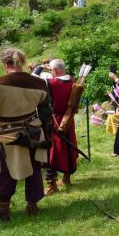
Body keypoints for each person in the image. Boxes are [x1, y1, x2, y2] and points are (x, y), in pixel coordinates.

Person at [0, 47, 52, 220]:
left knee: (5, 170)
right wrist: (46, 131)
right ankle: (32, 206)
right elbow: (46, 110)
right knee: (33, 168)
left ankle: (4, 210)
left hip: (9, 133)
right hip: (34, 130)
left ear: (4, 63)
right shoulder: (39, 82)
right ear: (22, 62)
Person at [44, 59, 77, 195]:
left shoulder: (51, 83)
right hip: (69, 120)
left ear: (54, 71)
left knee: (52, 153)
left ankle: (52, 186)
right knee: (69, 148)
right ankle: (66, 179)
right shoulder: (72, 80)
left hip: (56, 121)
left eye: (51, 70)